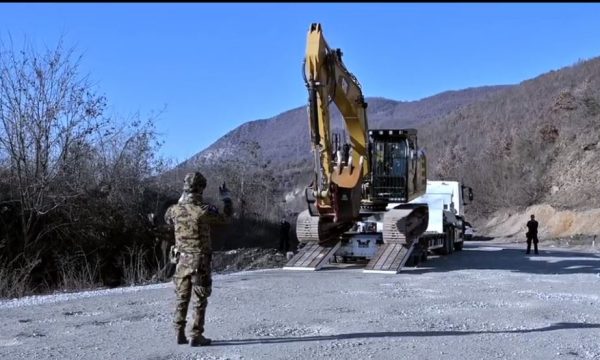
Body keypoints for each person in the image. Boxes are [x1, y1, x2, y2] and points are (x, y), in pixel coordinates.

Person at [164, 172, 233, 347]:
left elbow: (167, 220)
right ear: (201, 188)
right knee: (199, 298)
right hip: (199, 261)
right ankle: (196, 335)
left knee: (182, 296)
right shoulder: (204, 211)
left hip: (181, 260)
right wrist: (226, 200)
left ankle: (178, 332)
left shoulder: (173, 210)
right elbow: (226, 219)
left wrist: (181, 201)